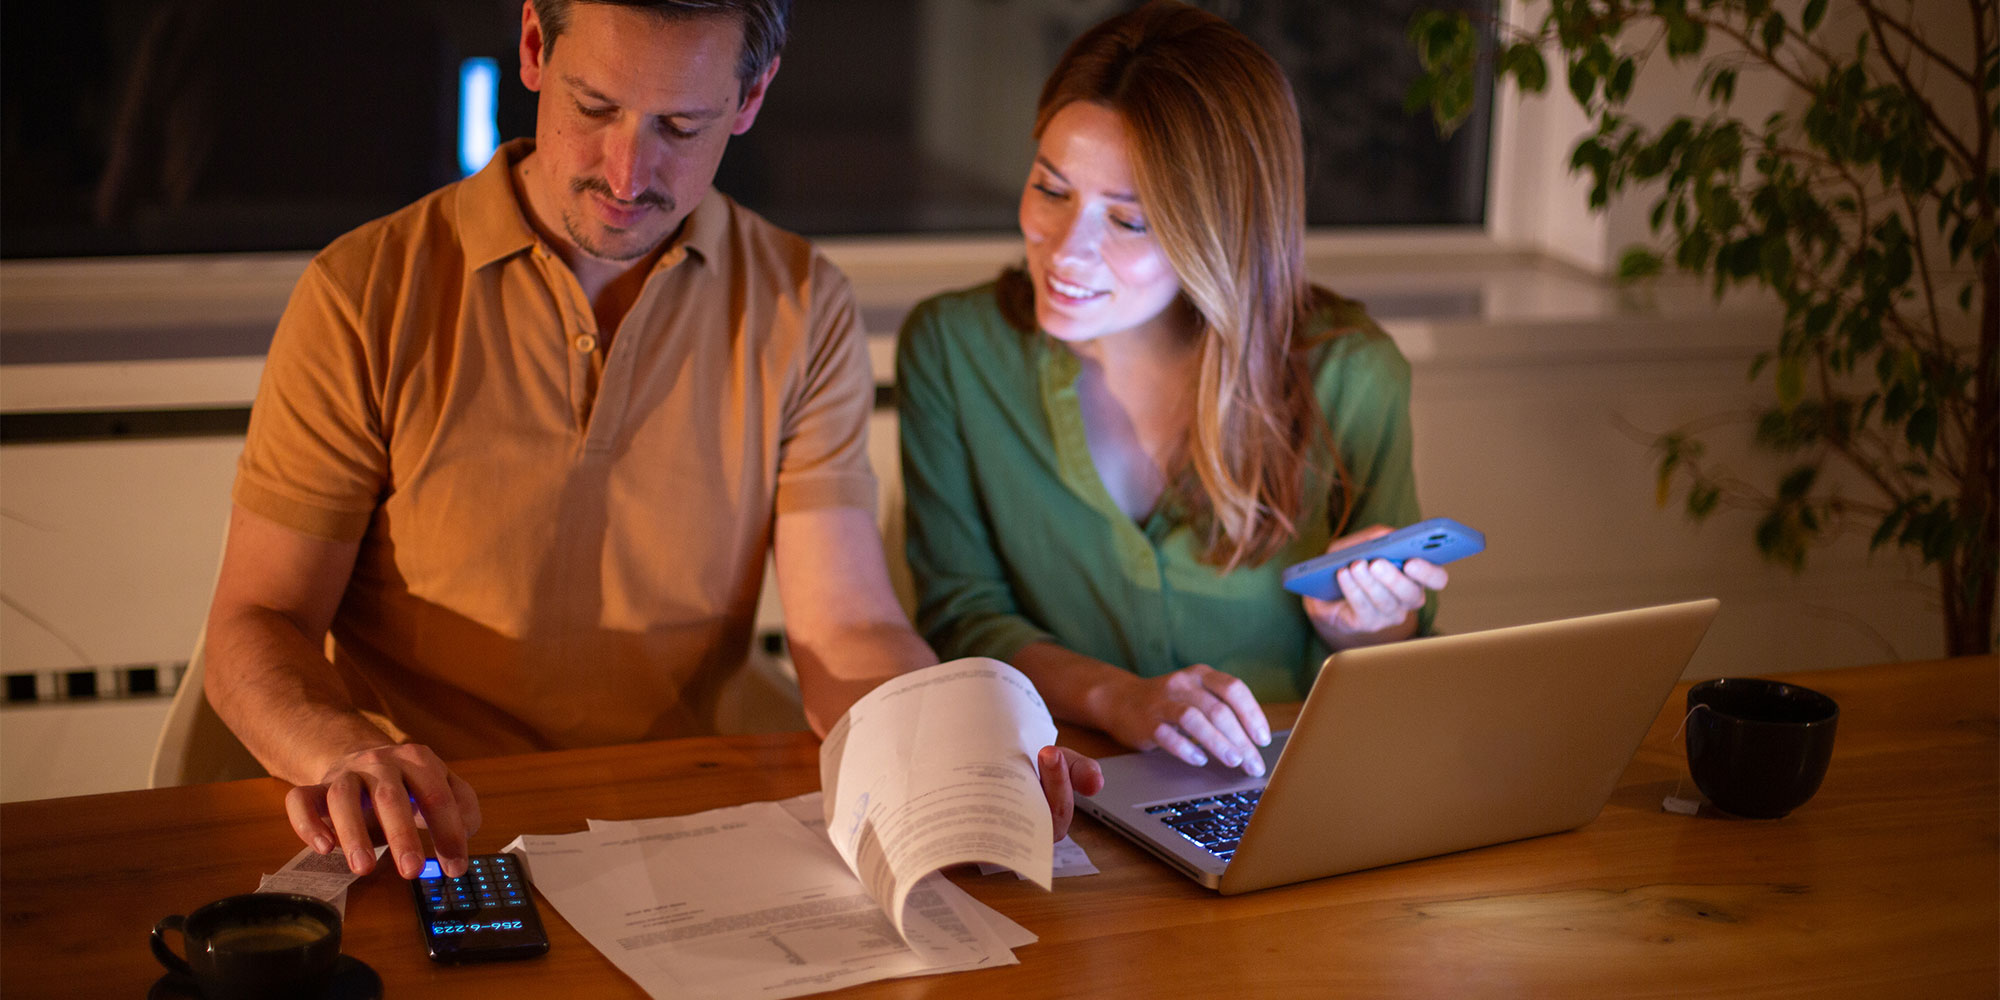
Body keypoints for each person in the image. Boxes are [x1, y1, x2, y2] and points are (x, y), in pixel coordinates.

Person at [204, 0, 1098, 883]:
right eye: (595, 109)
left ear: (750, 100)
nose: (629, 172)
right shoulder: (365, 295)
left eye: (681, 125)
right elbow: (260, 621)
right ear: (532, 49)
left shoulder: (798, 301)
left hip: (679, 836)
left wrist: (952, 758)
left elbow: (850, 627)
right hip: (430, 836)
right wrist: (345, 751)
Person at [897, 1, 1450, 782]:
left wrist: (1366, 626)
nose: (1066, 252)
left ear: (1219, 232)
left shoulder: (1352, 375)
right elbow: (962, 620)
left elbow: (1397, 673)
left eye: (1129, 221)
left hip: (1286, 788)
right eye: (1051, 190)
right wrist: (1119, 698)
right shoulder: (955, 352)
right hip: (1065, 792)